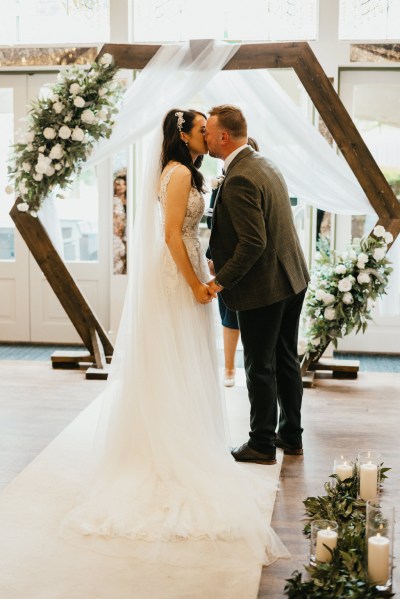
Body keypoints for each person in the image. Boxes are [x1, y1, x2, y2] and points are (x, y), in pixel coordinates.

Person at [62, 108, 288, 572]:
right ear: (185, 136)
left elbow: (183, 235)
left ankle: (187, 430)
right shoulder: (180, 172)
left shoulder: (181, 170)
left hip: (188, 270)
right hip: (177, 277)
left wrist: (204, 275)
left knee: (179, 361)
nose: (208, 134)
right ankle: (173, 442)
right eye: (202, 129)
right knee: (175, 358)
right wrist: (196, 284)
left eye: (210, 128)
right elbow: (170, 235)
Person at [205, 104, 310, 465]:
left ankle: (262, 443)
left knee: (259, 365)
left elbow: (253, 243)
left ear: (222, 136)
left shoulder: (240, 178)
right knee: (284, 359)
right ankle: (291, 435)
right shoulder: (264, 163)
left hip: (265, 286)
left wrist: (219, 282)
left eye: (208, 131)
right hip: (293, 277)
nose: (204, 136)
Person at [207, 137, 260, 388]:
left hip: (251, 261)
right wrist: (211, 255)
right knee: (229, 317)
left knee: (251, 320)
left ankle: (253, 369)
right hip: (226, 259)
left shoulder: (250, 180)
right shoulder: (220, 183)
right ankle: (229, 367)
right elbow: (214, 224)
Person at [113, 173, 127, 274]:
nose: (119, 187)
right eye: (117, 184)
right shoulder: (113, 200)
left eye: (121, 184)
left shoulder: (128, 201)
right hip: (117, 231)